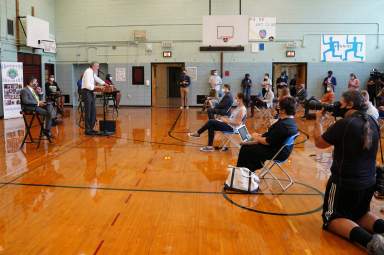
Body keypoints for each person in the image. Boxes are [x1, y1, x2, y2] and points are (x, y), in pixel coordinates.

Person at [314, 90, 384, 254]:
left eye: (341, 102)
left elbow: (319, 143)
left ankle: (372, 244)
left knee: (331, 218)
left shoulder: (345, 124)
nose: (337, 105)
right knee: (360, 214)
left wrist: (318, 120)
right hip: (368, 182)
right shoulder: (373, 121)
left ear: (350, 105)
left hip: (344, 183)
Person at [237, 96, 298, 171]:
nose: (277, 108)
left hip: (277, 153)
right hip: (281, 150)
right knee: (249, 144)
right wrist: (259, 136)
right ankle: (248, 171)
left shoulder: (283, 125)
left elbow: (267, 142)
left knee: (246, 149)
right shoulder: (290, 122)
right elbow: (273, 136)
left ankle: (243, 173)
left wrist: (256, 138)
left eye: (279, 106)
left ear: (283, 110)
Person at [82, 62, 106, 135]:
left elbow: (97, 78)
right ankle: (87, 130)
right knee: (88, 111)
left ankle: (91, 128)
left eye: (98, 66)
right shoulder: (88, 72)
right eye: (97, 66)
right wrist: (98, 87)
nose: (98, 68)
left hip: (90, 92)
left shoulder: (92, 72)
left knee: (93, 111)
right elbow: (88, 85)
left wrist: (105, 83)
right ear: (93, 66)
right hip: (87, 92)